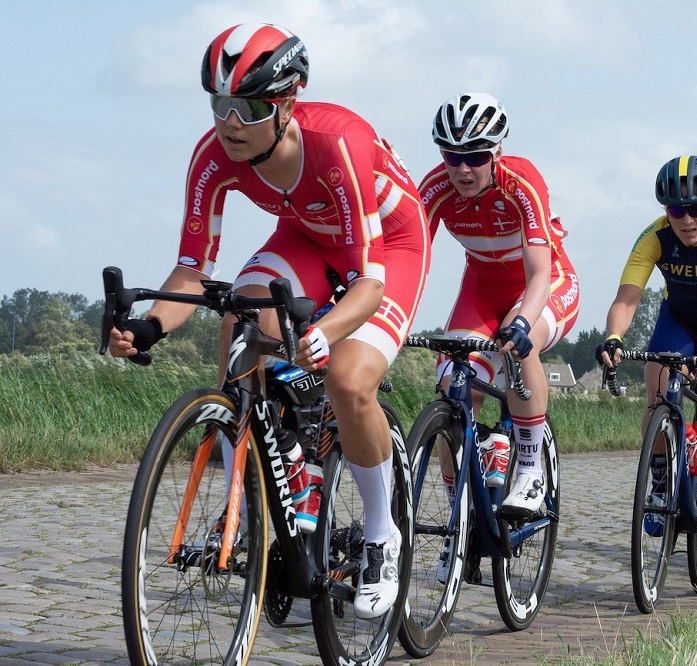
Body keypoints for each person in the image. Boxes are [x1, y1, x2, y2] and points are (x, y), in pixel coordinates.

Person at [107, 23, 430, 619]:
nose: (230, 122)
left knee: (349, 379)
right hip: (305, 237)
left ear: (286, 104)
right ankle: (263, 489)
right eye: (220, 105)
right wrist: (150, 326)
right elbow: (191, 273)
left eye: (249, 108)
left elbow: (367, 282)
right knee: (238, 320)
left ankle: (383, 535)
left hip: (388, 249)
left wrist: (321, 334)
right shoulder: (213, 157)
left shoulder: (337, 145)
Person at [420, 93, 580, 519]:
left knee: (517, 341)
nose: (463, 169)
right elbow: (410, 255)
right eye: (452, 156)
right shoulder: (436, 187)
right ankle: (462, 511)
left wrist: (524, 322)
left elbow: (540, 274)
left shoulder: (521, 181)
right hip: (482, 288)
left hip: (543, 283)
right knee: (455, 385)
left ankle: (530, 469)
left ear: (496, 152)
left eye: (475, 156)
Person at [598, 155, 697, 525]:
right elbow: (626, 299)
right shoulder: (654, 236)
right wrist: (613, 337)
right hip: (680, 317)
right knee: (656, 384)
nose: (687, 219)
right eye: (676, 210)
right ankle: (658, 485)